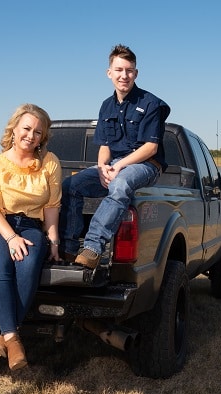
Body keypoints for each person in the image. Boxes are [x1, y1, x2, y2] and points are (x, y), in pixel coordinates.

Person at [59, 44, 170, 269]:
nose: (124, 75)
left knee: (119, 185)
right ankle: (68, 250)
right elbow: (104, 145)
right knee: (70, 185)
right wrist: (101, 168)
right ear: (109, 73)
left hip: (145, 165)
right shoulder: (106, 106)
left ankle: (92, 248)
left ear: (136, 73)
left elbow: (150, 148)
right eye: (119, 70)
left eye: (129, 70)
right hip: (113, 164)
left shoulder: (151, 103)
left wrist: (117, 168)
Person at [0, 104, 61, 371]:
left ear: (42, 137)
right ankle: (14, 340)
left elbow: (52, 205)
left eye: (37, 132)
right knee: (1, 268)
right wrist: (11, 238)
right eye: (26, 128)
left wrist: (53, 240)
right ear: (13, 130)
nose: (31, 136)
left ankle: (6, 335)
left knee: (30, 264)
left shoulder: (49, 162)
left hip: (31, 225)